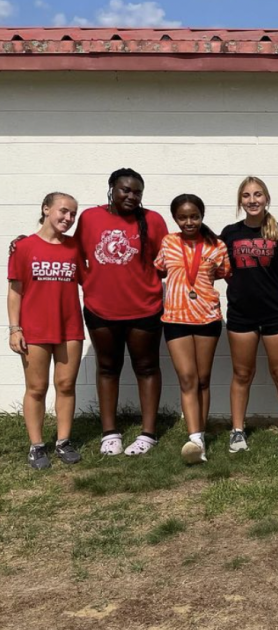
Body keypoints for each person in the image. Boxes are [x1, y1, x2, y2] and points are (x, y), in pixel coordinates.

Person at [75, 168, 168, 455]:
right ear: (112, 188)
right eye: (125, 190)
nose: (131, 196)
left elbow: (165, 259)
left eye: (137, 192)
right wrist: (89, 282)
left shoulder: (153, 220)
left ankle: (148, 434)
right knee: (107, 367)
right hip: (100, 309)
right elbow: (74, 252)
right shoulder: (90, 218)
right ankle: (109, 433)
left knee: (147, 367)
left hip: (144, 308)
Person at [221, 176, 278, 453]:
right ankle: (237, 431)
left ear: (266, 198)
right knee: (242, 374)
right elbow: (223, 270)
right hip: (241, 314)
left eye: (257, 195)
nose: (252, 200)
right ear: (240, 200)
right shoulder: (230, 233)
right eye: (246, 195)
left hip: (276, 312)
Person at [7, 193, 84, 469]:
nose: (68, 218)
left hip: (70, 327)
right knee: (37, 388)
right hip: (35, 328)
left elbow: (92, 279)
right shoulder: (24, 247)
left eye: (73, 214)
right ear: (46, 209)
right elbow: (15, 291)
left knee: (66, 385)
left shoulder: (75, 247)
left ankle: (63, 442)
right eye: (64, 211)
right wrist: (15, 329)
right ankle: (37, 446)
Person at [154, 194, 230, 464]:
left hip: (207, 318)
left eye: (194, 216)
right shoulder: (168, 242)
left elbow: (223, 273)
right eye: (183, 217)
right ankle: (195, 437)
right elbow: (159, 270)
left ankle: (201, 435)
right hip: (175, 318)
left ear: (202, 215)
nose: (189, 222)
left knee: (202, 379)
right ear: (175, 218)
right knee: (187, 378)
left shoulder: (216, 246)